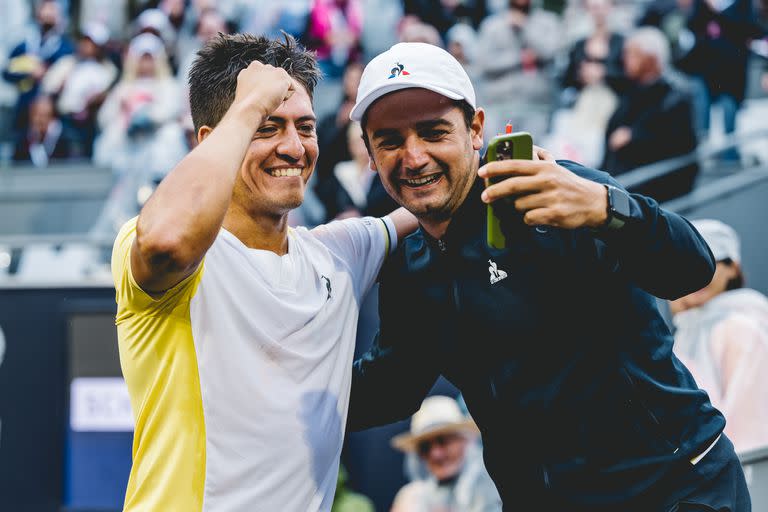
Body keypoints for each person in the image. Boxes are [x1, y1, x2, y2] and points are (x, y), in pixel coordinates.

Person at [347, 42, 750, 511]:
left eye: (433, 132)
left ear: (476, 129)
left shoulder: (554, 190)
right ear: (371, 155)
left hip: (675, 491)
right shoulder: (410, 268)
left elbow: (692, 269)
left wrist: (607, 208)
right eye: (390, 141)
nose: (413, 157)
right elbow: (391, 386)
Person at [111, 33, 416, 511]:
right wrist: (249, 102)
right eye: (269, 126)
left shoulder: (337, 254)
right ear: (214, 142)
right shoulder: (159, 245)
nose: (294, 148)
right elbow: (169, 240)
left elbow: (435, 202)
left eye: (306, 127)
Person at [671, 219, 768, 454]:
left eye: (707, 264)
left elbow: (751, 424)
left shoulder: (740, 327)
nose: (694, 275)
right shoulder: (687, 330)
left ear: (732, 267)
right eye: (682, 266)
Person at [601, 27, 698, 202]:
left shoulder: (675, 95)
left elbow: (679, 143)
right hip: (625, 185)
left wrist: (634, 136)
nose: (625, 60)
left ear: (650, 59)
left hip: (656, 190)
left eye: (632, 55)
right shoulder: (633, 90)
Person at [390, 395, 502, 512]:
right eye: (425, 447)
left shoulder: (494, 484)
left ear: (465, 439)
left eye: (443, 441)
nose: (435, 454)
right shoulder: (411, 498)